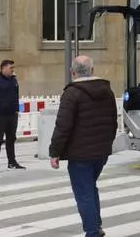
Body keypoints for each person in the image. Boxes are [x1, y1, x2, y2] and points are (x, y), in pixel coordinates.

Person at [49, 56, 118, 237]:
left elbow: (63, 125)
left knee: (84, 192)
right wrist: (107, 144)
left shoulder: (72, 94)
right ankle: (96, 224)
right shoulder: (107, 91)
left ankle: (92, 231)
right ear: (92, 71)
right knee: (90, 187)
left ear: (73, 73)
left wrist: (54, 152)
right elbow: (113, 122)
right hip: (101, 152)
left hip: (79, 153)